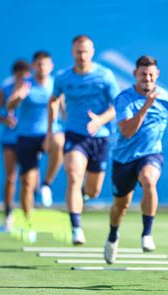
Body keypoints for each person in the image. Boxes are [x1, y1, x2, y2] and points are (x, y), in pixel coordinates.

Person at [47, 35, 120, 245]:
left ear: (92, 52)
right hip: (74, 135)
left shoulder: (104, 76)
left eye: (85, 51)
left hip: (100, 137)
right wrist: (52, 128)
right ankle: (76, 227)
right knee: (73, 174)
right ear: (72, 52)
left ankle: (82, 196)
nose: (81, 55)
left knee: (93, 190)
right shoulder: (63, 78)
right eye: (78, 51)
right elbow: (53, 99)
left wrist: (100, 120)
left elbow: (116, 105)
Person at [103, 56, 168, 263]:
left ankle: (147, 234)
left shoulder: (167, 97)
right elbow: (126, 131)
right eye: (143, 74)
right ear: (135, 74)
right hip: (123, 159)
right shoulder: (124, 98)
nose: (147, 78)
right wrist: (145, 107)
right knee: (120, 207)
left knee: (149, 180)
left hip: (151, 154)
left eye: (151, 74)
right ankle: (113, 235)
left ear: (157, 75)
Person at [7, 51, 64, 233]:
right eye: (38, 64)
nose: (41, 68)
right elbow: (9, 106)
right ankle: (28, 221)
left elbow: (64, 110)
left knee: (59, 141)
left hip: (48, 134)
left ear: (51, 66)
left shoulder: (56, 85)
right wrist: (18, 97)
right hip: (26, 136)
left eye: (44, 64)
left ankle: (46, 184)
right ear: (33, 66)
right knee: (27, 182)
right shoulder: (25, 84)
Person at [0, 59, 31, 230]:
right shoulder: (5, 90)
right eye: (18, 74)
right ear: (14, 75)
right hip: (10, 140)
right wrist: (4, 120)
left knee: (29, 180)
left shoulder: (34, 89)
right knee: (11, 177)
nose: (22, 77)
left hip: (29, 138)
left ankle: (27, 215)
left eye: (25, 74)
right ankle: (8, 213)